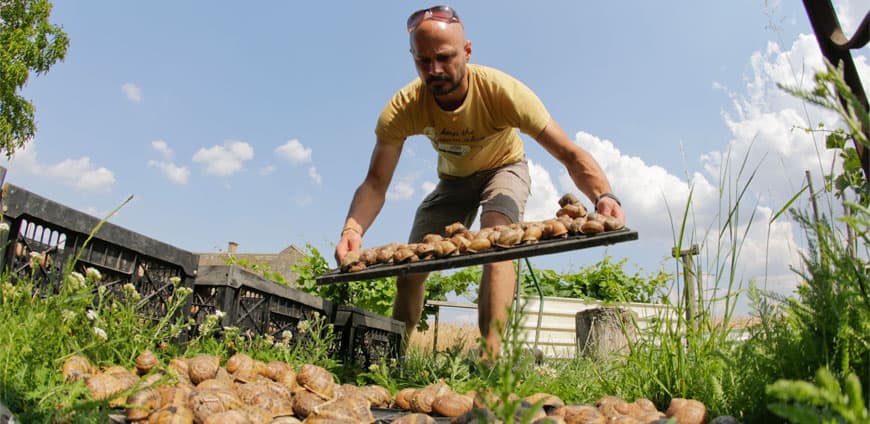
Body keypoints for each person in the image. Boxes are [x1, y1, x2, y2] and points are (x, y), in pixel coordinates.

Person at [334, 5, 624, 360]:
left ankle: (491, 355)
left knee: (498, 238)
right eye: (423, 61)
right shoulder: (404, 107)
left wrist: (604, 195)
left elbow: (568, 153)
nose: (434, 70)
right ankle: (394, 356)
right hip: (452, 181)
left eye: (444, 58)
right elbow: (376, 183)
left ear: (467, 51)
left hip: (505, 167)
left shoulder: (503, 92)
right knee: (411, 265)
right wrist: (353, 229)